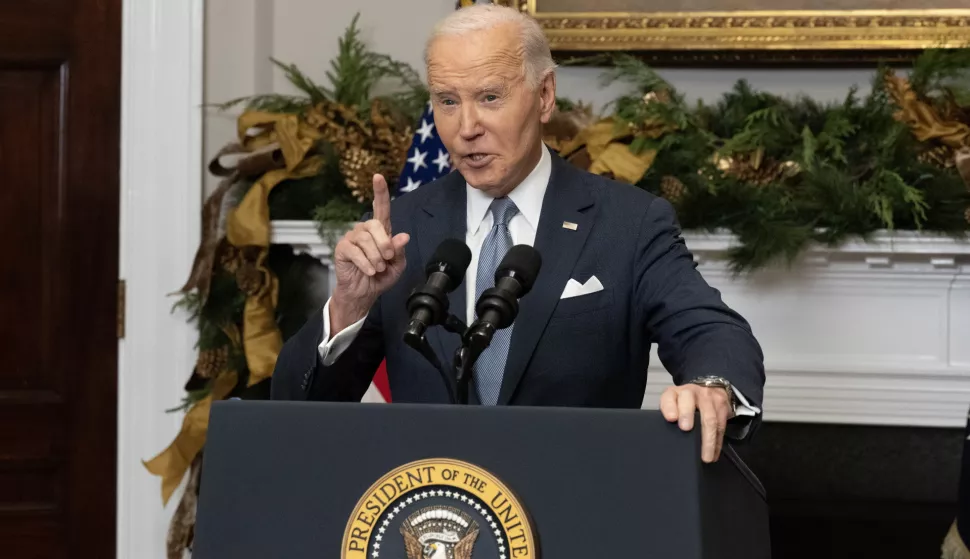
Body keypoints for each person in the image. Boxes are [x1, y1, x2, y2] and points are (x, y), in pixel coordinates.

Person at [271, 4, 766, 463]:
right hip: (433, 516)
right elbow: (297, 412)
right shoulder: (401, 227)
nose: (467, 127)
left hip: (575, 508)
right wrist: (348, 307)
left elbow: (710, 330)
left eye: (489, 97)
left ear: (544, 96)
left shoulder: (628, 223)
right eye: (447, 101)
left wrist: (712, 386)